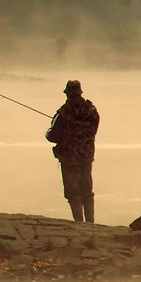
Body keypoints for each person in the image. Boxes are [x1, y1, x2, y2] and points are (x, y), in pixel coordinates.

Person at [45, 80, 100, 222]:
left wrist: (47, 133)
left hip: (69, 157)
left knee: (72, 191)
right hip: (87, 156)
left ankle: (79, 223)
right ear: (80, 92)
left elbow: (53, 136)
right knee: (87, 191)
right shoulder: (92, 110)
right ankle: (90, 223)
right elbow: (94, 130)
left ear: (68, 94)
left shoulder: (63, 112)